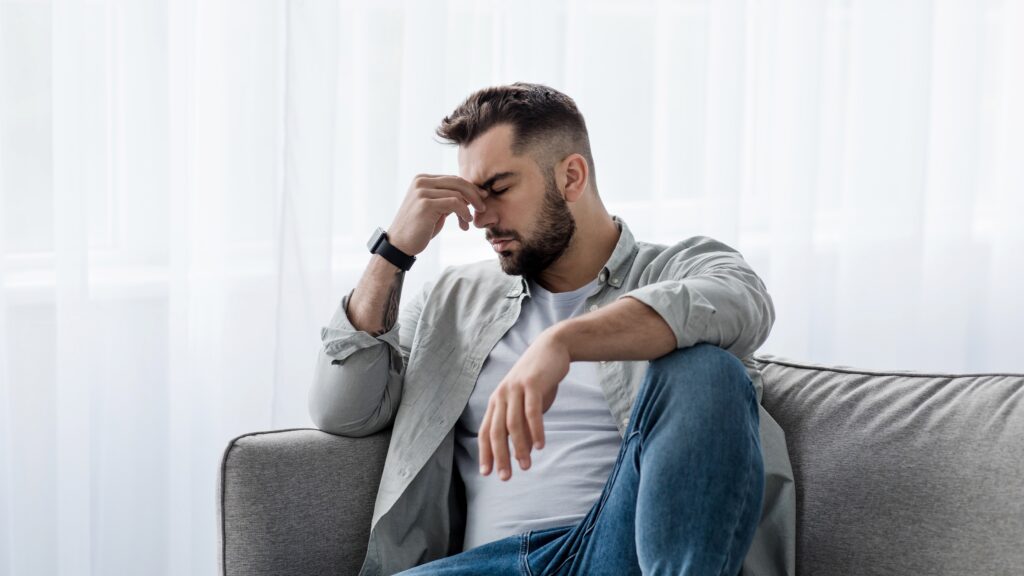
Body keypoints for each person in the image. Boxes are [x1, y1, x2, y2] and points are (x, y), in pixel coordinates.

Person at [309, 82, 795, 576]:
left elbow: (741, 302)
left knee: (705, 369)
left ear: (571, 177)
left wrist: (563, 342)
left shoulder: (679, 267)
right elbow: (343, 412)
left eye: (498, 189)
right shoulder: (451, 301)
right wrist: (393, 252)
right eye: (473, 197)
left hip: (612, 553)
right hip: (487, 566)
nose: (481, 218)